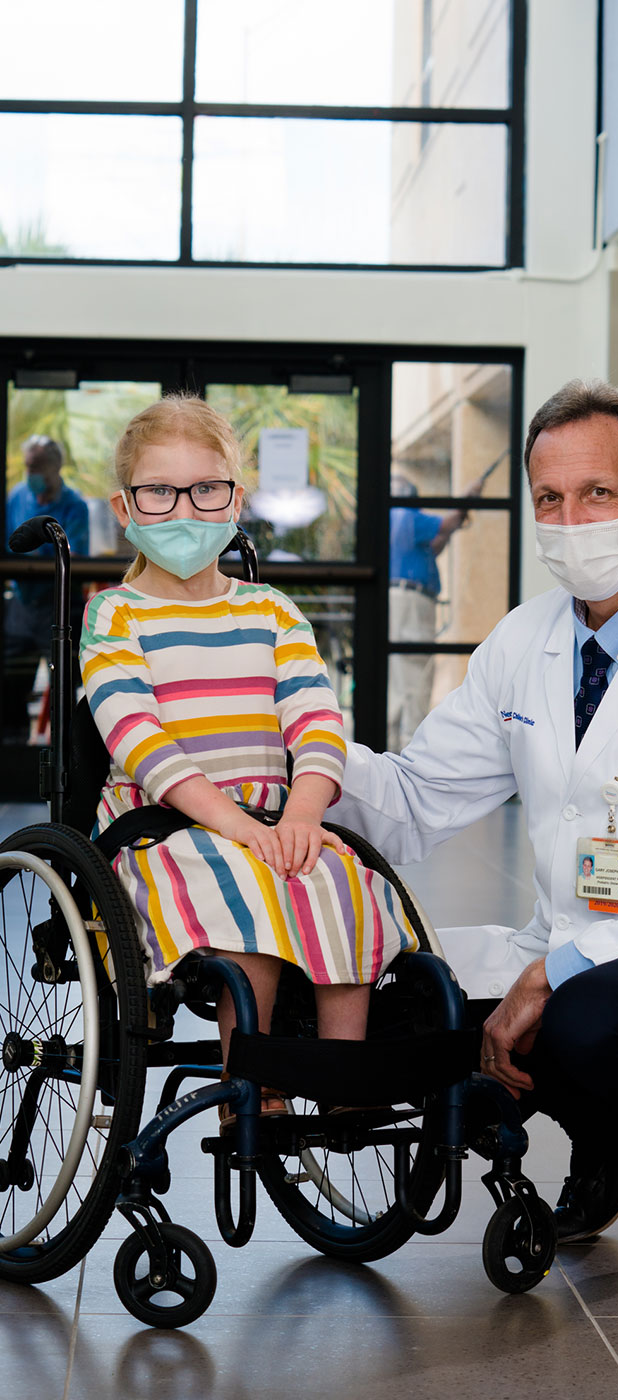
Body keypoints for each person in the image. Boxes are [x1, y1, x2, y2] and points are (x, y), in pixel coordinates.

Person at [336, 378, 618, 1271]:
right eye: (550, 498)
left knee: (589, 1019)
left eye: (598, 493)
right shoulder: (525, 642)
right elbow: (418, 795)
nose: (570, 517)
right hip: (575, 941)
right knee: (403, 1010)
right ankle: (611, 1133)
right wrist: (304, 758)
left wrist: (553, 972)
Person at [80, 396, 417, 1123]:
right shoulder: (115, 616)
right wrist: (233, 824)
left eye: (206, 490)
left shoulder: (272, 612)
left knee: (342, 879)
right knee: (250, 895)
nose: (185, 512)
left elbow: (318, 720)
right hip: (164, 824)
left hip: (272, 815)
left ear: (235, 498)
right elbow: (139, 738)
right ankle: (252, 1086)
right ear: (125, 505)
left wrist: (302, 811)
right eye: (159, 493)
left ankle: (343, 1079)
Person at [388, 471, 485, 751]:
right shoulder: (406, 515)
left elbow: (435, 544)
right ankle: (409, 750)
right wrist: (469, 497)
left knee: (399, 679)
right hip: (411, 602)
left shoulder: (394, 521)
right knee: (415, 675)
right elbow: (448, 523)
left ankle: (392, 747)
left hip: (398, 601)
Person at [5, 435, 89, 734]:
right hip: (20, 605)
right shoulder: (17, 495)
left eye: (37, 467)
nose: (31, 475)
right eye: (28, 467)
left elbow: (77, 555)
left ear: (56, 467)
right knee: (9, 686)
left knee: (65, 689)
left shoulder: (74, 505)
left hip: (58, 605)